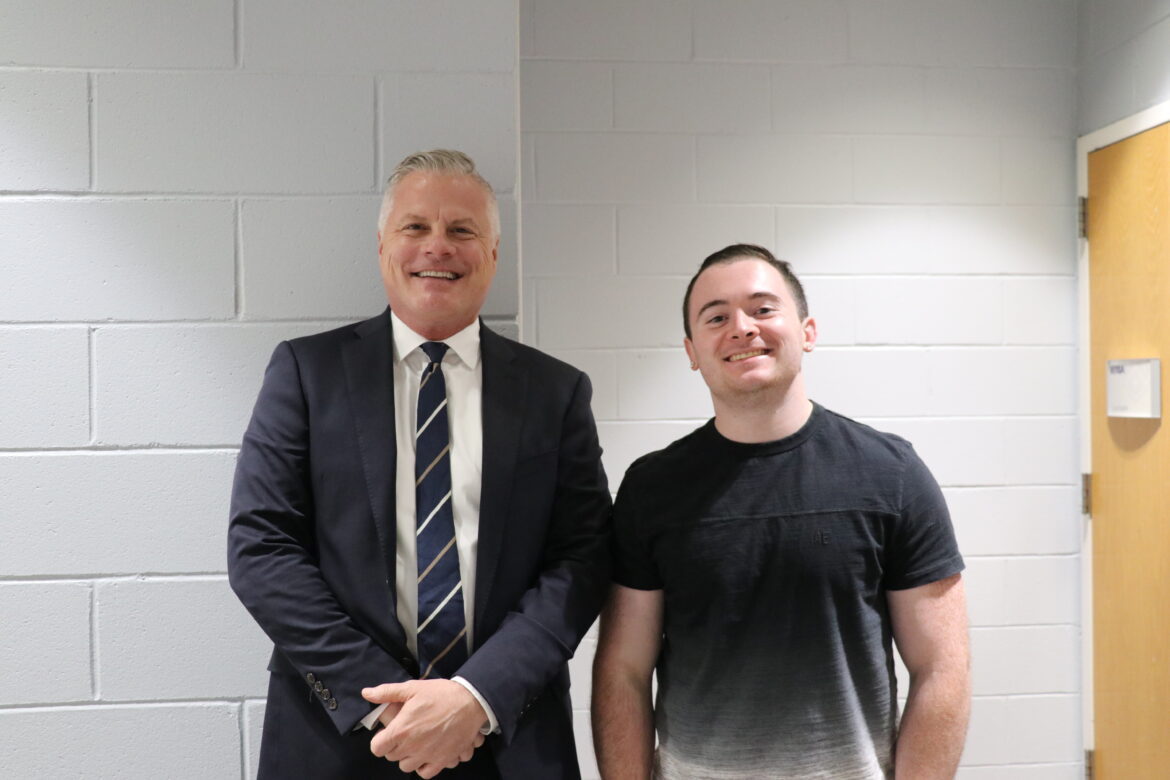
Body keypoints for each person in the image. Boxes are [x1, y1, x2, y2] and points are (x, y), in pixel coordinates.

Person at [229, 149, 611, 779]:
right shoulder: (306, 372)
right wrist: (392, 705)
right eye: (416, 228)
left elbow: (583, 556)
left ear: (492, 254)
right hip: (341, 736)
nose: (439, 247)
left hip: (504, 734)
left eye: (462, 230)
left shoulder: (556, 391)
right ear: (383, 246)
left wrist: (473, 697)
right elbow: (261, 547)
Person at [591, 244, 970, 779]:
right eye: (717, 316)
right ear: (692, 350)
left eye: (763, 309)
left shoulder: (892, 474)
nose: (742, 327)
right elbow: (623, 672)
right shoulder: (652, 488)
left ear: (808, 331)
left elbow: (942, 670)